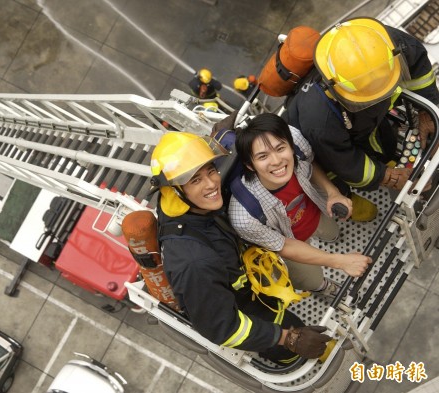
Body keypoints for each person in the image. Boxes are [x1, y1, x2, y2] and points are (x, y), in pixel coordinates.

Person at [150, 131, 332, 364]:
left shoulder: (181, 206)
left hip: (254, 292)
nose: (212, 183)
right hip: (255, 319)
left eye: (211, 170)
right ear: (173, 190)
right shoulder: (193, 262)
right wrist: (288, 338)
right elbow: (223, 328)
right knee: (303, 353)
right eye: (195, 180)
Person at [283, 17, 439, 222]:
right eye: (371, 95)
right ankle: (350, 199)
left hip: (363, 123)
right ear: (335, 87)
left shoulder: (380, 41)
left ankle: (384, 161)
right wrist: (389, 178)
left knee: (383, 142)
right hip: (321, 154)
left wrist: (427, 113)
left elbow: (418, 65)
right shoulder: (319, 121)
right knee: (346, 189)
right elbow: (345, 163)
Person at [228, 113, 372, 294]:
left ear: (289, 144)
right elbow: (284, 245)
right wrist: (340, 261)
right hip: (290, 241)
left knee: (331, 231)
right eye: (263, 156)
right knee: (311, 279)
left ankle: (333, 238)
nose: (277, 161)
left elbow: (309, 165)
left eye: (280, 148)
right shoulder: (244, 216)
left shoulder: (295, 139)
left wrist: (333, 193)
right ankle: (325, 288)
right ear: (250, 165)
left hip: (315, 211)